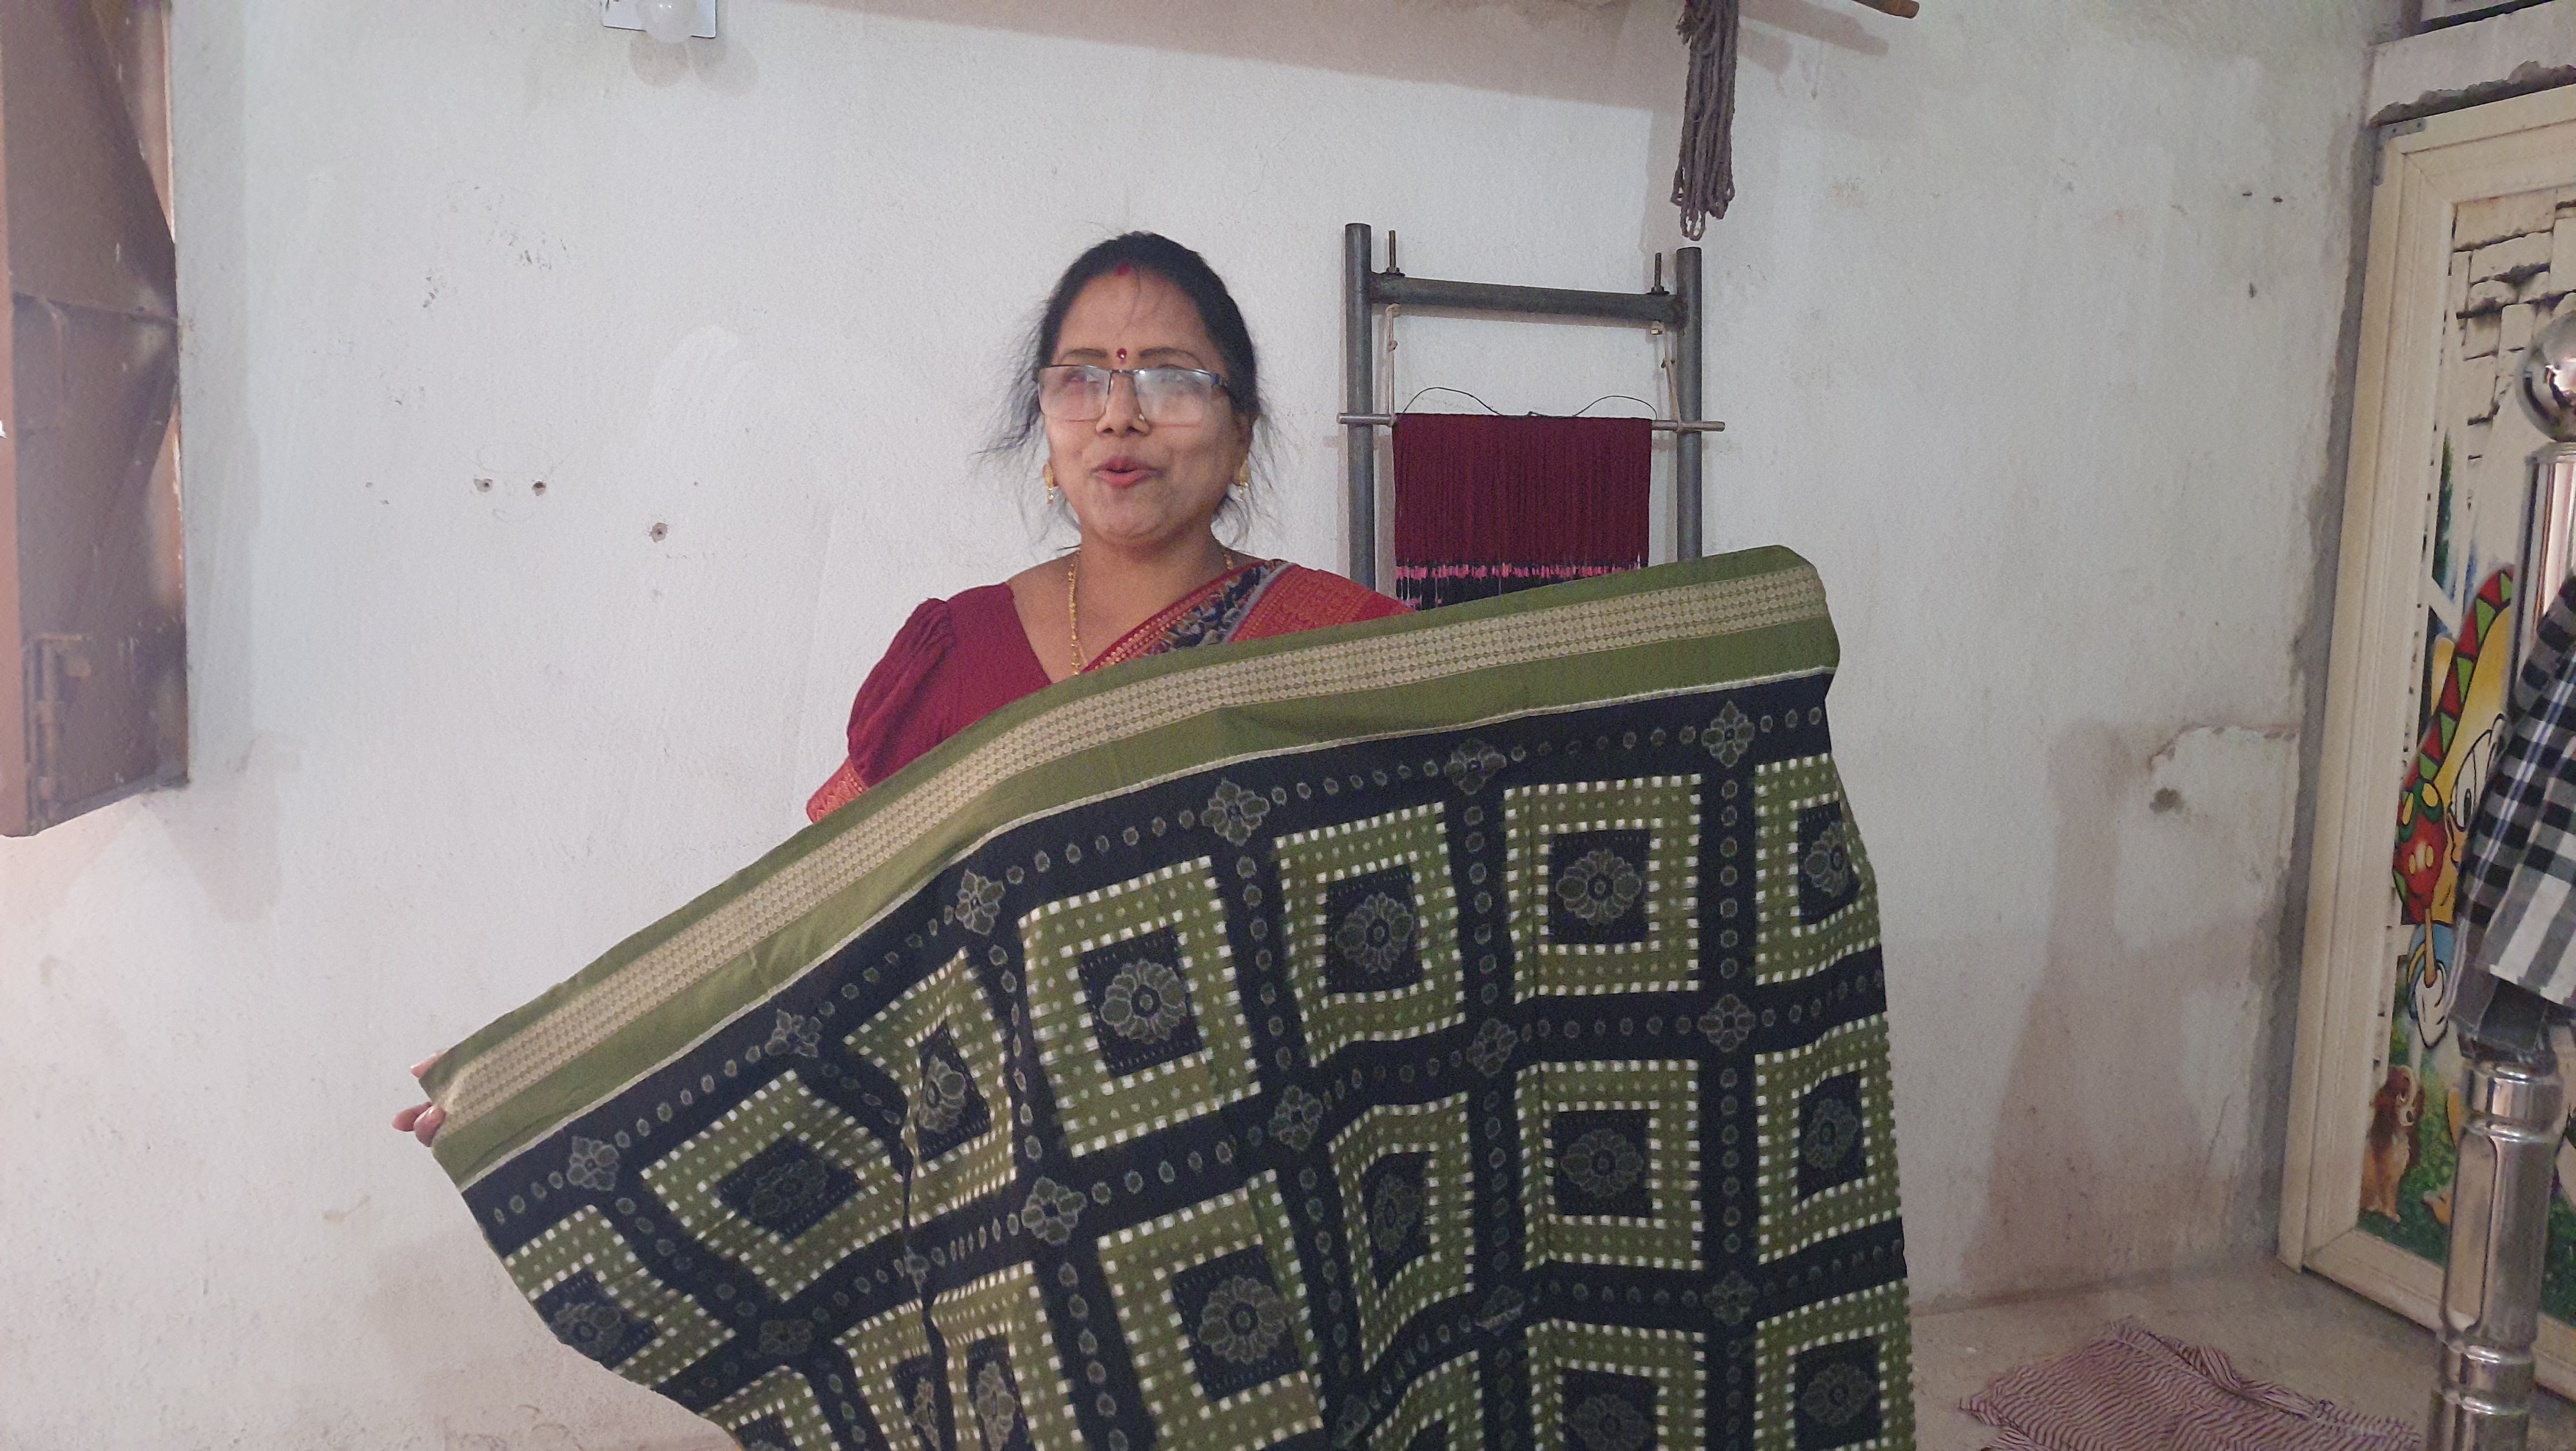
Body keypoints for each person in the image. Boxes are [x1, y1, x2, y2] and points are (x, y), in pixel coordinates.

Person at [394, 232, 1406, 1144]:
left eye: (1172, 380)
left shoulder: (1341, 652)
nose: (1120, 415)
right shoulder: (956, 656)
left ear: (1240, 431)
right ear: (1046, 428)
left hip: (1276, 1197)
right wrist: (547, 1080)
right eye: (1081, 380)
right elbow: (814, 938)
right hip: (1003, 1220)